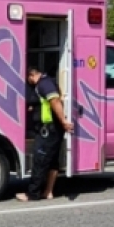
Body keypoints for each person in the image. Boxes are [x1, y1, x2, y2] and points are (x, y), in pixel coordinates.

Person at [16, 66, 74, 202]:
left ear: (31, 75)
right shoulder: (47, 82)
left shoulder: (44, 84)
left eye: (27, 78)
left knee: (39, 159)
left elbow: (54, 101)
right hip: (54, 129)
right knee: (52, 161)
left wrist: (64, 120)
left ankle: (33, 193)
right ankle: (48, 192)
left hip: (49, 129)